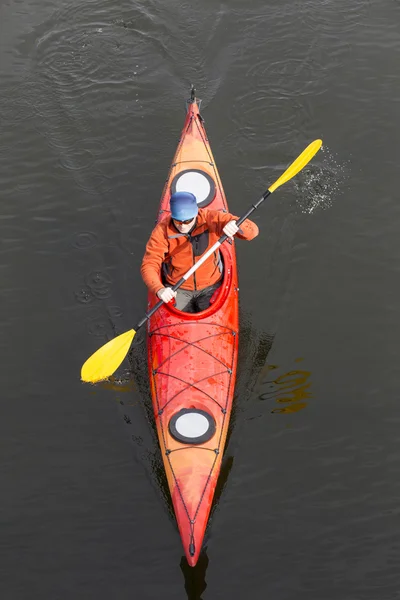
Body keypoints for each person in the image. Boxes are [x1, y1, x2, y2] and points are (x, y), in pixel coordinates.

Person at [141, 191, 259, 313]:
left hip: (211, 285)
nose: (182, 226)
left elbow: (253, 232)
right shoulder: (161, 231)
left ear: (196, 213)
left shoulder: (211, 218)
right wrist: (159, 289)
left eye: (187, 221)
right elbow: (149, 265)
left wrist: (236, 226)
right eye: (177, 221)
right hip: (178, 287)